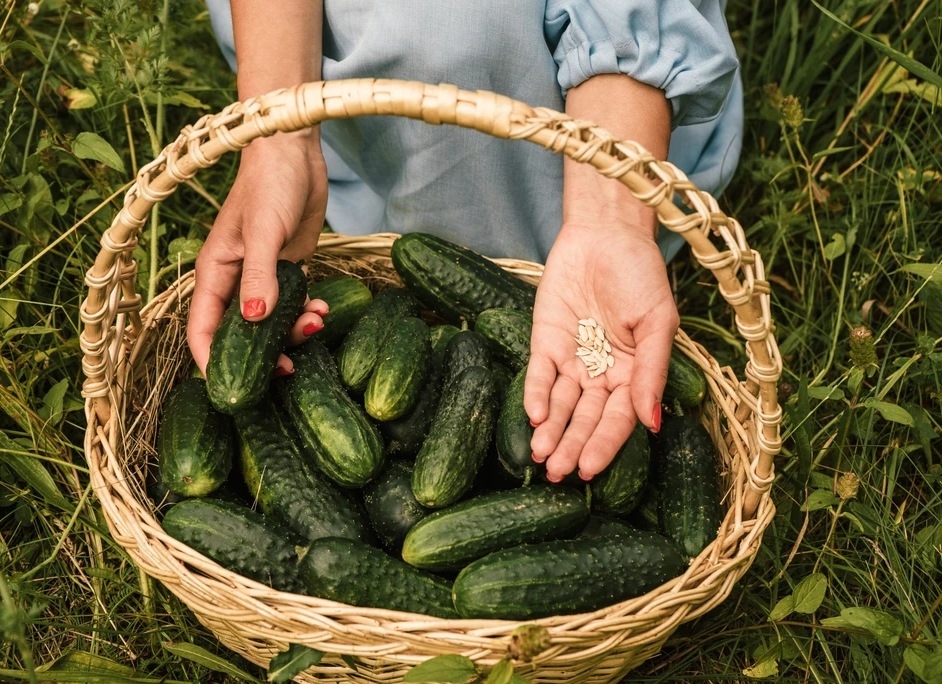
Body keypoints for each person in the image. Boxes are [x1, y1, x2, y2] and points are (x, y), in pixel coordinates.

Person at [188, 1, 742, 483]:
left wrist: (612, 217)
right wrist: (280, 138)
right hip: (351, 93)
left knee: (466, 30)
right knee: (432, 32)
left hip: (609, 101)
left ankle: (553, 238)